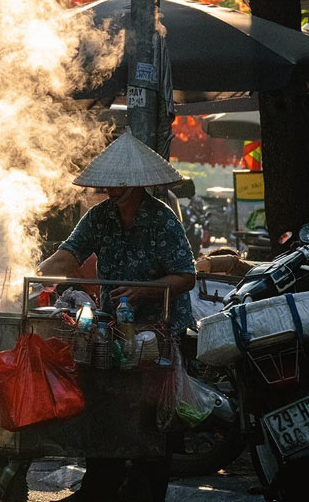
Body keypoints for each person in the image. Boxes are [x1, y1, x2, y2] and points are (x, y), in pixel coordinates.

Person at [38, 130, 196, 502]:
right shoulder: (99, 217)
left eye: (119, 185)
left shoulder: (162, 221)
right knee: (103, 403)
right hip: (113, 327)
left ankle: (145, 489)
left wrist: (145, 289)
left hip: (159, 331)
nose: (111, 191)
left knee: (151, 415)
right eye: (109, 185)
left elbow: (186, 277)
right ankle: (99, 487)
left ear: (138, 185)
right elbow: (68, 255)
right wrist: (32, 276)